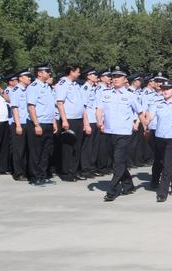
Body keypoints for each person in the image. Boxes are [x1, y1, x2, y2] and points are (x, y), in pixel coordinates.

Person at [95, 66, 144, 201]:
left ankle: (112, 190)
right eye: (114, 76)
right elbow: (99, 109)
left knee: (118, 161)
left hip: (123, 133)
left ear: (125, 80)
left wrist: (145, 127)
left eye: (119, 77)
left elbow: (140, 112)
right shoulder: (105, 93)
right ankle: (128, 185)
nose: (115, 79)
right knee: (118, 161)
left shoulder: (130, 95)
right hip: (109, 132)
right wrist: (99, 121)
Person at [55, 64, 88, 181]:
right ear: (71, 72)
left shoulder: (75, 84)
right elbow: (60, 103)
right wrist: (64, 120)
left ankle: (73, 171)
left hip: (78, 119)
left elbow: (81, 104)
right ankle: (66, 173)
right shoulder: (63, 84)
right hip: (69, 119)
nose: (79, 74)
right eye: (78, 71)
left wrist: (85, 122)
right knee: (67, 148)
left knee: (77, 147)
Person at [26, 64, 58, 185]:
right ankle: (35, 177)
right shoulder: (33, 87)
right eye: (47, 71)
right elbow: (31, 107)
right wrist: (36, 124)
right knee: (36, 152)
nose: (49, 73)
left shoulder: (47, 87)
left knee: (46, 152)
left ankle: (43, 175)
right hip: (38, 123)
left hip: (48, 123)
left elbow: (50, 107)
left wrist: (53, 122)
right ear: (39, 73)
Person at [8, 69, 32, 180]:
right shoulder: (16, 90)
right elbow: (15, 108)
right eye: (27, 76)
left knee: (27, 148)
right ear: (21, 78)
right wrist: (18, 125)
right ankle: (19, 173)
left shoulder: (28, 90)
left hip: (28, 123)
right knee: (19, 149)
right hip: (19, 123)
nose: (29, 78)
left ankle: (26, 171)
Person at [79, 69, 100, 178]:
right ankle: (85, 169)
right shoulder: (85, 88)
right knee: (87, 147)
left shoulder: (93, 88)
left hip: (95, 120)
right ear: (88, 76)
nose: (96, 76)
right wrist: (86, 123)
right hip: (89, 120)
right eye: (94, 74)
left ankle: (91, 168)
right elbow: (83, 107)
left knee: (94, 147)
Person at [0, 75, 10, 176]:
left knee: (4, 145)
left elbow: (9, 100)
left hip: (4, 120)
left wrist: (2, 92)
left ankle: (2, 167)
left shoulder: (1, 92)